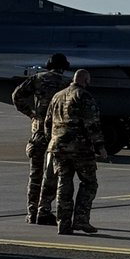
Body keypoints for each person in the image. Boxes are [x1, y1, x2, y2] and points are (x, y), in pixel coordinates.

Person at [45, 68, 107, 235]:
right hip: (80, 149)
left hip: (58, 147)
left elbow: (47, 122)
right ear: (86, 80)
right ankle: (81, 220)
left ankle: (63, 223)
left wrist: (53, 142)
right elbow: (92, 124)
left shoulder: (57, 96)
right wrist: (100, 147)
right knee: (89, 183)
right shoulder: (84, 96)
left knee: (64, 184)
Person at [11, 53, 71, 224]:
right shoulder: (66, 83)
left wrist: (31, 114)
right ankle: (44, 210)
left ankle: (32, 212)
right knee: (51, 173)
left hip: (38, 131)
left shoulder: (37, 78)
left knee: (35, 173)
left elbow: (17, 95)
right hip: (56, 131)